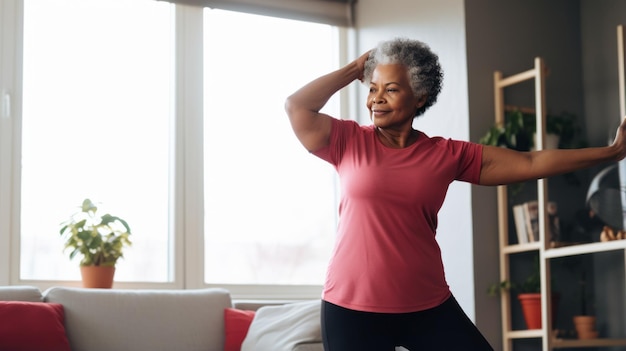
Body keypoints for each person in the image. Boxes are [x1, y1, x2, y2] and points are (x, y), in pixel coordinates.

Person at [284, 37, 626, 351]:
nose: (376, 99)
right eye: (372, 89)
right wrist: (356, 68)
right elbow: (297, 107)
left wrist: (610, 154)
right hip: (351, 307)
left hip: (426, 304)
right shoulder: (348, 141)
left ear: (419, 97)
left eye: (390, 89)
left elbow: (530, 161)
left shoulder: (445, 155)